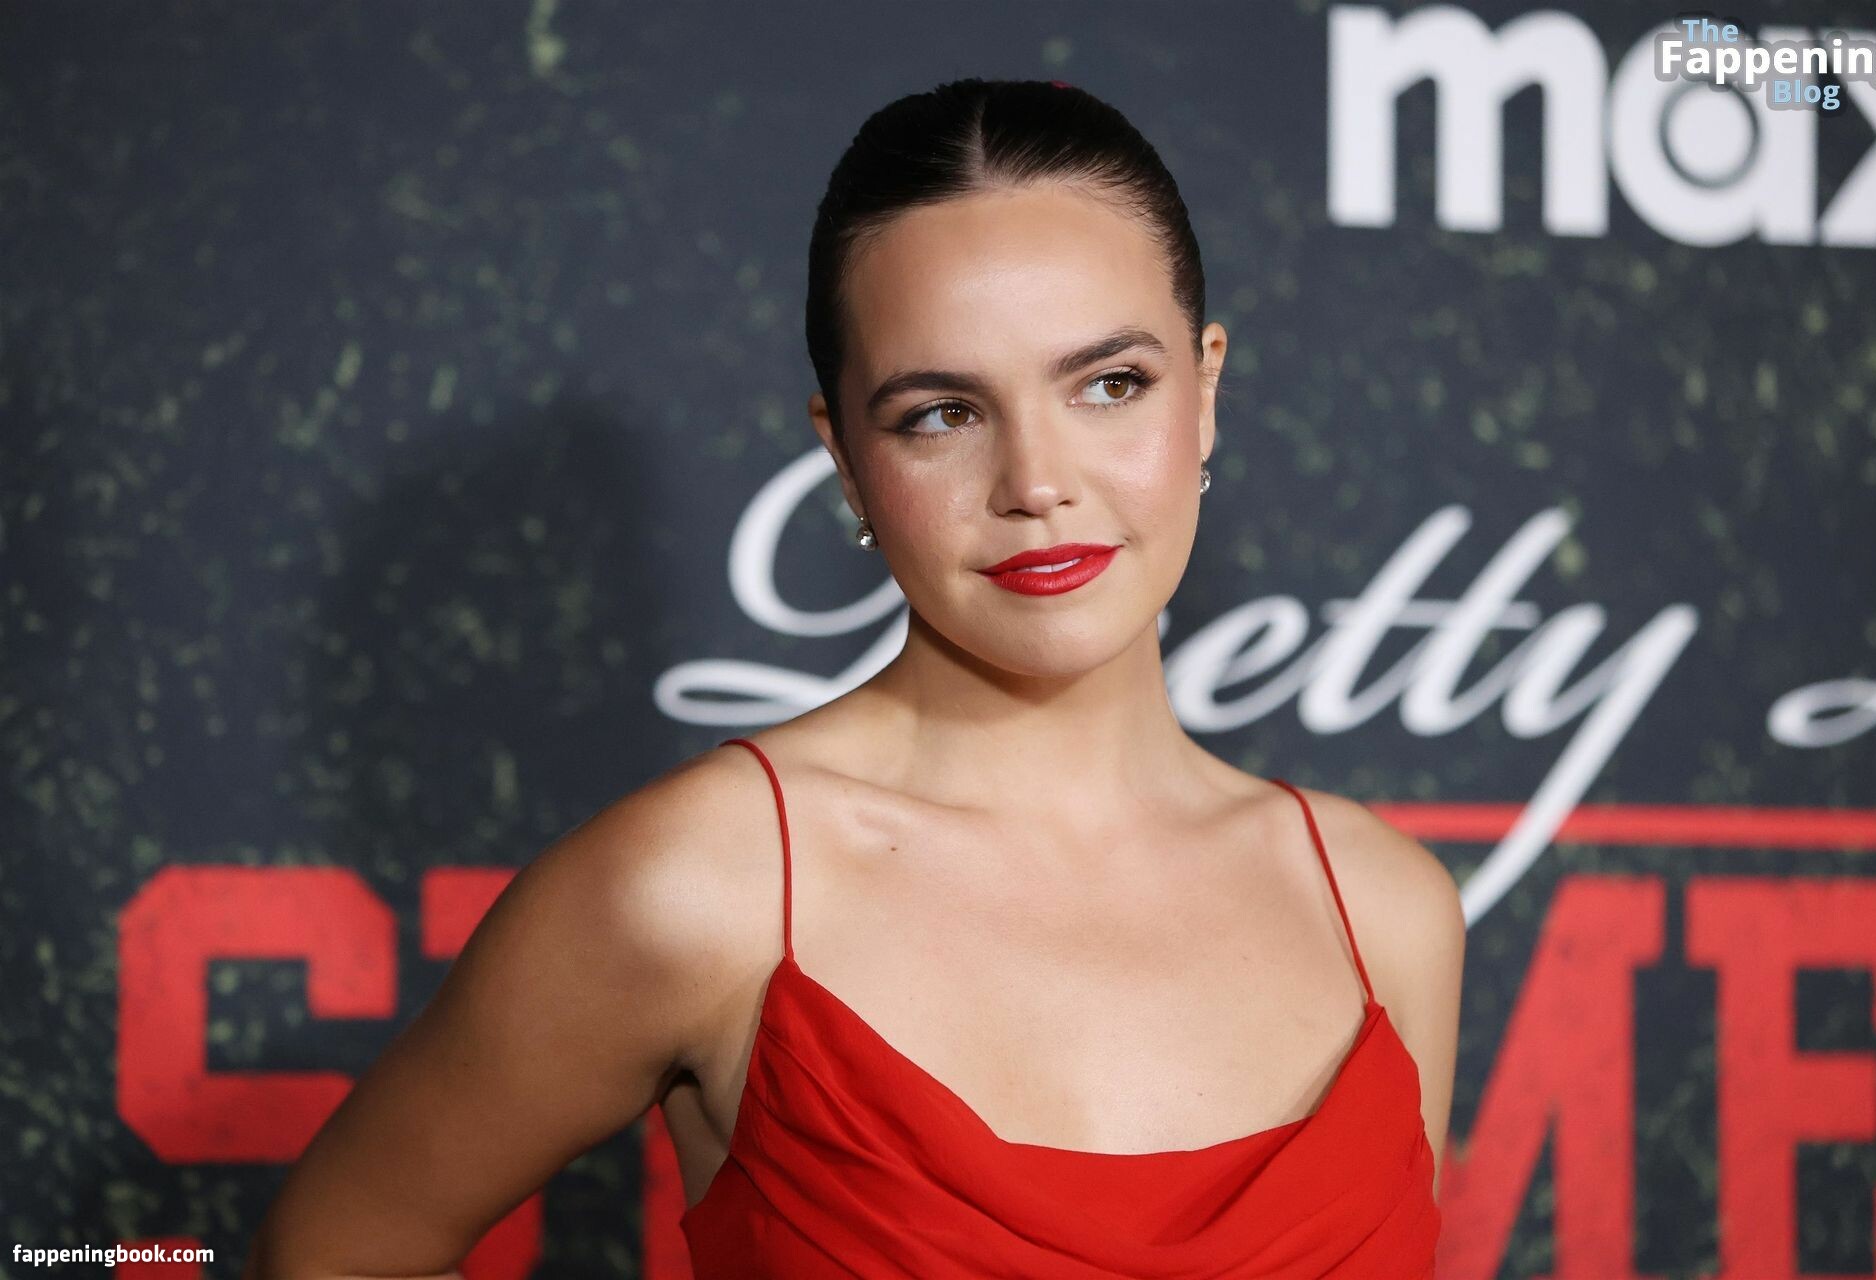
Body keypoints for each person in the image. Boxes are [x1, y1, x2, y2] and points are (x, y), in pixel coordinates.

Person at [244, 76, 1464, 1278]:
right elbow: (334, 1251)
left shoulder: (1384, 912)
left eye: (1109, 383)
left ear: (1205, 392)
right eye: (942, 413)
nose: (1036, 481)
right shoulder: (697, 886)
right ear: (845, 456)